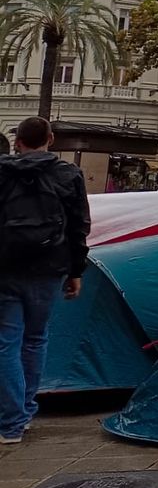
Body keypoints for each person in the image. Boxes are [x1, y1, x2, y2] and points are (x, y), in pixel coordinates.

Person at [0, 117, 90, 444]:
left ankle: (9, 425)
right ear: (50, 139)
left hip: (6, 267)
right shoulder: (68, 174)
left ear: (17, 141)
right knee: (35, 340)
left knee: (6, 343)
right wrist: (76, 271)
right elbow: (79, 226)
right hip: (50, 267)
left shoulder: (3, 172)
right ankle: (23, 414)